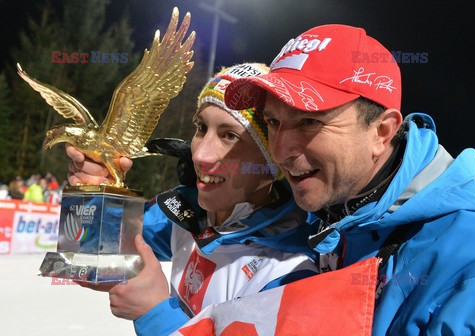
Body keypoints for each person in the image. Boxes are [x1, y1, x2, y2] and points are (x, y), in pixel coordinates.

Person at [218, 24, 475, 334]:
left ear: (381, 133)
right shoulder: (321, 211)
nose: (279, 152)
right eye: (273, 122)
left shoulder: (467, 264)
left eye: (309, 122)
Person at [67, 63, 319, 335]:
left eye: (229, 136)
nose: (200, 155)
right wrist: (95, 192)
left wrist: (155, 314)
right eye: (201, 128)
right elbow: (85, 255)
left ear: (272, 160)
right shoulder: (184, 213)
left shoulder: (292, 270)